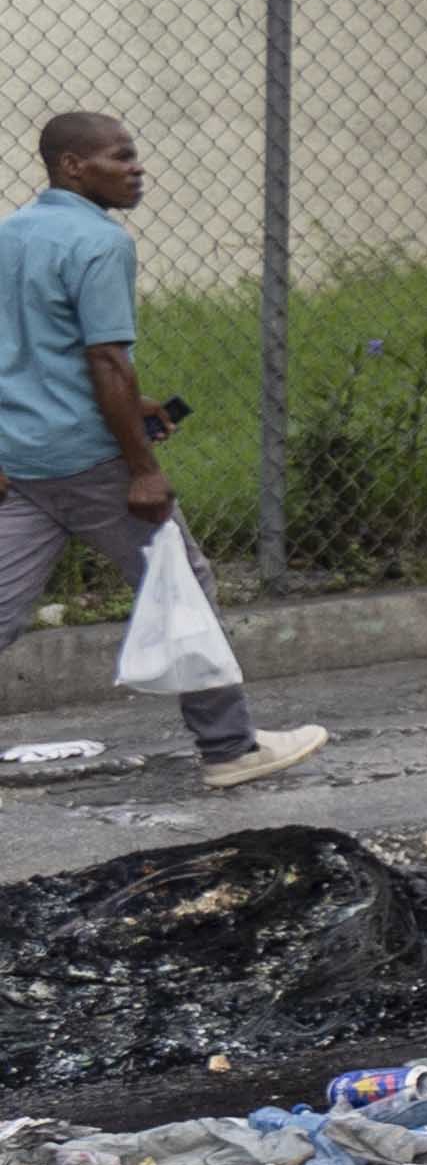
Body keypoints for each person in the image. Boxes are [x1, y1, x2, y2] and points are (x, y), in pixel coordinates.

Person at [0, 114, 324, 792]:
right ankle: (231, 749)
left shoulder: (12, 234)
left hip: (21, 458)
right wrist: (143, 469)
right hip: (92, 462)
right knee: (182, 587)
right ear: (72, 167)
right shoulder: (99, 242)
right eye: (122, 157)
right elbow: (107, 362)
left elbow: (30, 351)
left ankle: (230, 743)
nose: (137, 168)